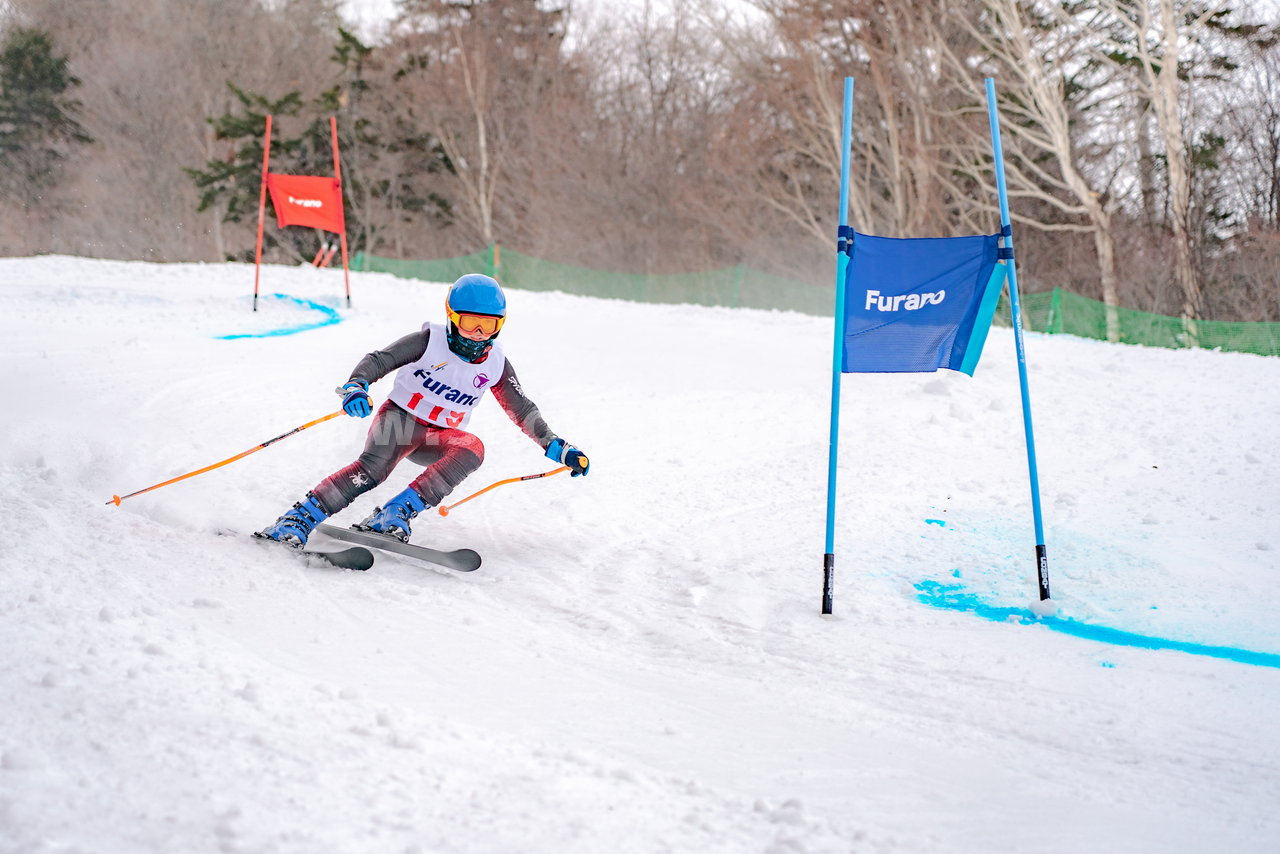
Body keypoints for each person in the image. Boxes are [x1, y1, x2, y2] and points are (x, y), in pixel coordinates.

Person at [257, 273, 589, 547]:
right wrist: (357, 385)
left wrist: (557, 446)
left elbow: (523, 410)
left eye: (487, 326)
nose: (477, 334)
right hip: (399, 422)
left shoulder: (495, 363)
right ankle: (298, 518)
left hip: (437, 438)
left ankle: (394, 512)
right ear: (452, 317)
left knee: (472, 447)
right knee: (372, 471)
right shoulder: (429, 342)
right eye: (470, 323)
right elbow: (379, 360)